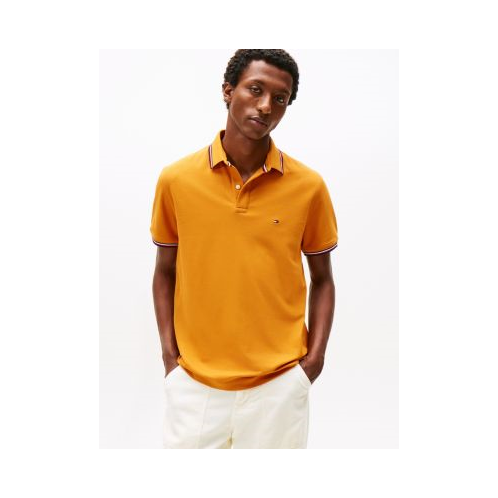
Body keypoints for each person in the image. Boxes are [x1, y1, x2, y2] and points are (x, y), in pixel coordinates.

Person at [151, 49, 338, 449]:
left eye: (280, 98)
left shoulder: (309, 187)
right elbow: (165, 270)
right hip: (195, 387)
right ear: (228, 91)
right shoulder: (176, 180)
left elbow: (323, 280)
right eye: (255, 89)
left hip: (279, 387)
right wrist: (170, 360)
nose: (266, 105)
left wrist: (312, 364)